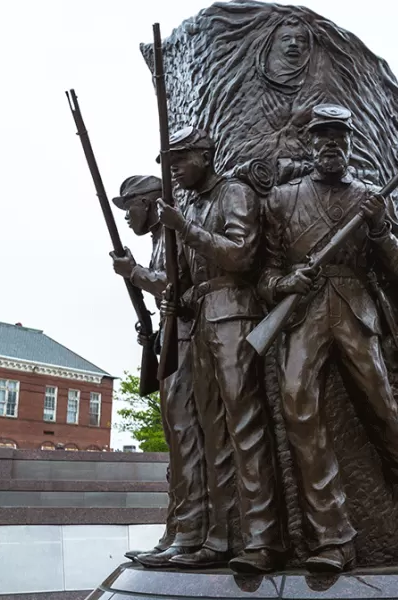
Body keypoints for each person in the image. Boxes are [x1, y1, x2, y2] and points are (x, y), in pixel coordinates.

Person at [258, 103, 398, 572]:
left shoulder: (371, 197)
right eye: (323, 137)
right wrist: (283, 283)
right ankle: (333, 537)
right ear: (310, 143)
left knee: (385, 414)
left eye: (340, 138)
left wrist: (379, 228)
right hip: (303, 313)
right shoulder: (280, 200)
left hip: (356, 312)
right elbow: (267, 273)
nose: (331, 145)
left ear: (350, 144)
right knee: (298, 409)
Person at [154, 127, 286, 573]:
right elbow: (190, 277)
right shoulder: (191, 205)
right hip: (203, 318)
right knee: (214, 435)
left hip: (235, 314)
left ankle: (264, 539)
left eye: (180, 160)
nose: (173, 170)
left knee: (245, 426)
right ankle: (221, 536)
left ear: (205, 156)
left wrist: (185, 230)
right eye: (168, 163)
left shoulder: (234, 193)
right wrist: (179, 292)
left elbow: (241, 255)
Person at [108, 175, 224, 568]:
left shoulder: (173, 236)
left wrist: (135, 273)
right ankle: (177, 530)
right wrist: (153, 334)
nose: (127, 217)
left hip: (190, 341)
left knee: (187, 437)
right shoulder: (160, 240)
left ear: (150, 203)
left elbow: (180, 287)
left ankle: (190, 534)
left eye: (130, 206)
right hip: (173, 340)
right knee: (177, 442)